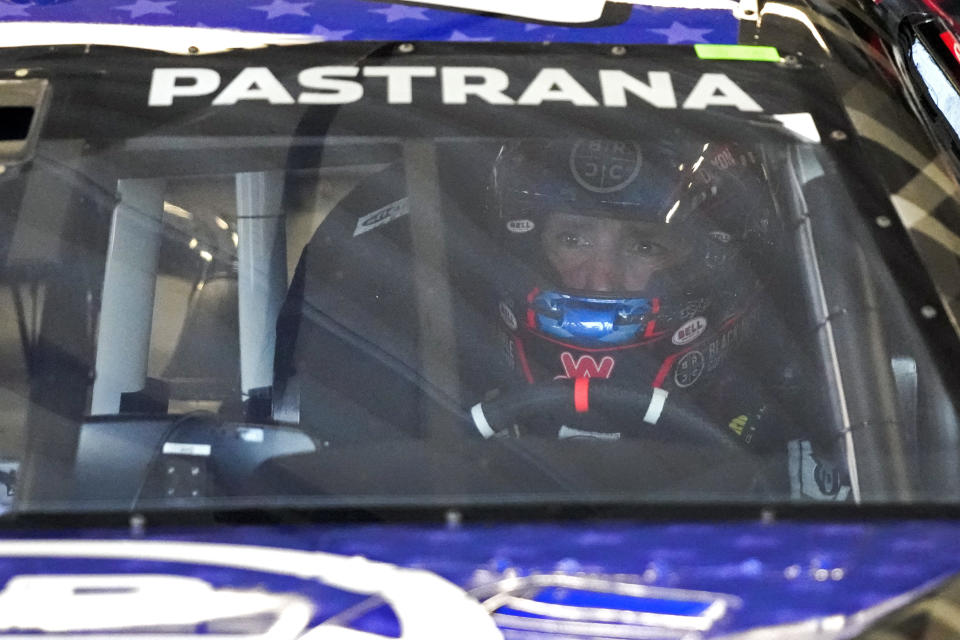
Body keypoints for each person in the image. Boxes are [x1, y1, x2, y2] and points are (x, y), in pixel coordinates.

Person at [482, 138, 849, 499]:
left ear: (713, 264)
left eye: (645, 246)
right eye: (572, 239)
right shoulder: (458, 409)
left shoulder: (810, 440)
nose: (601, 280)